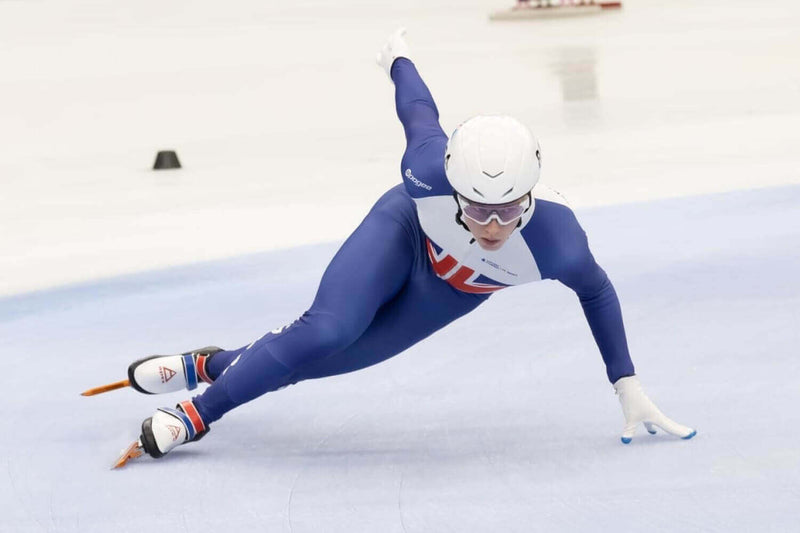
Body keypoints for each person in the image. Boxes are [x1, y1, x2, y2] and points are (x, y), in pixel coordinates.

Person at [119, 29, 695, 462]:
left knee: (317, 363)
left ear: (531, 194)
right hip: (402, 233)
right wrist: (399, 57)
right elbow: (419, 110)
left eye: (510, 209)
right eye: (477, 208)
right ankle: (195, 415)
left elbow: (597, 293)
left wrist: (626, 383)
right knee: (327, 330)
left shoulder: (560, 244)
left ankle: (205, 364)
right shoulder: (426, 170)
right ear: (453, 186)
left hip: (452, 292)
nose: (494, 226)